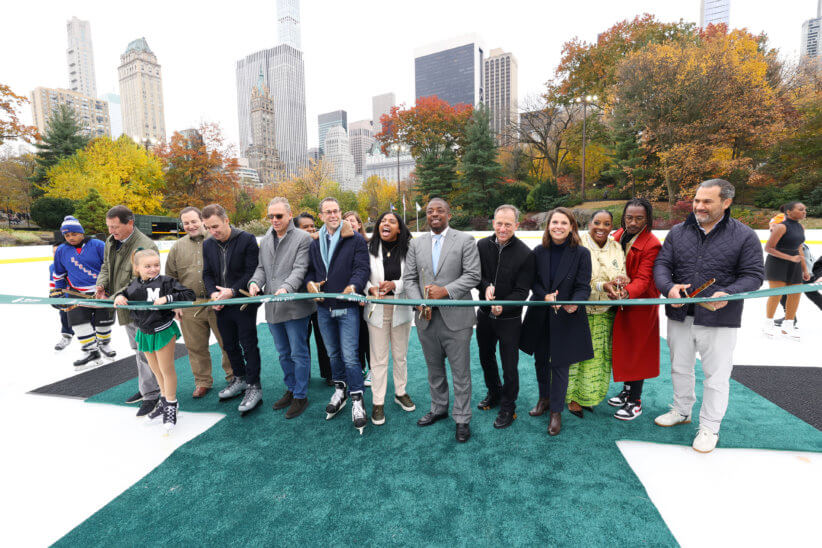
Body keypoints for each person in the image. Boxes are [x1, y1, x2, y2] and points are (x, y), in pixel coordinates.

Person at [653, 179, 765, 453]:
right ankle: (682, 410)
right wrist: (668, 288)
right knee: (679, 367)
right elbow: (662, 265)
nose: (699, 206)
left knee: (716, 376)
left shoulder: (744, 235)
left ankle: (709, 427)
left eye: (707, 201)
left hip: (719, 318)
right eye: (696, 200)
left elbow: (753, 275)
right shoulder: (678, 232)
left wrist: (728, 292)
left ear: (726, 202)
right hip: (680, 314)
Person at [403, 198, 480, 443]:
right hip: (426, 319)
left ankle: (462, 418)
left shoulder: (465, 240)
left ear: (449, 214)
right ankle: (439, 408)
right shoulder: (416, 244)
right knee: (434, 369)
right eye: (430, 211)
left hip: (457, 319)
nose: (434, 214)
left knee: (460, 372)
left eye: (440, 211)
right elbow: (409, 279)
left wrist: (445, 291)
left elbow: (473, 275)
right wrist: (419, 302)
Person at [519, 207, 593, 436]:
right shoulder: (538, 251)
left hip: (567, 316)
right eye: (554, 222)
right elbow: (533, 282)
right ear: (548, 226)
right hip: (541, 313)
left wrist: (574, 303)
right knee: (540, 360)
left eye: (563, 223)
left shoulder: (581, 253)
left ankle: (556, 412)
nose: (558, 227)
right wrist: (545, 296)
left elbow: (583, 286)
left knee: (560, 364)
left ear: (571, 227)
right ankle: (544, 399)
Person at [306, 198, 370, 433]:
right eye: (328, 212)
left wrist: (353, 286)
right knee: (333, 354)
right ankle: (340, 390)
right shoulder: (315, 242)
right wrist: (311, 285)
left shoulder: (355, 239)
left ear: (340, 213)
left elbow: (362, 268)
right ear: (321, 216)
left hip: (347, 307)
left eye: (336, 211)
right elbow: (310, 272)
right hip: (324, 308)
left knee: (350, 356)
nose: (333, 215)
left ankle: (357, 399)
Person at [114, 249, 195, 433]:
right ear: (137, 268)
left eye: (156, 265)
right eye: (148, 266)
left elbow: (189, 294)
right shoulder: (134, 285)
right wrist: (120, 296)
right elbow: (124, 293)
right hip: (144, 332)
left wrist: (168, 298)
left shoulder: (166, 282)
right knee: (156, 370)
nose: (153, 269)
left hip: (162, 331)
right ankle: (164, 401)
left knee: (166, 370)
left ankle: (171, 405)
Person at [249, 197, 314, 419]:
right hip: (273, 307)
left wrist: (286, 288)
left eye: (279, 216)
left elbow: (300, 268)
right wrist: (254, 282)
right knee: (283, 353)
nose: (274, 220)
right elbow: (261, 268)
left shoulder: (303, 238)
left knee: (298, 352)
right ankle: (292, 388)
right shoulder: (266, 238)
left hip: (295, 306)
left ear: (289, 215)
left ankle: (301, 395)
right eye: (271, 216)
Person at [95, 205, 161, 417]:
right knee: (138, 349)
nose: (111, 231)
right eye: (109, 227)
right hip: (123, 306)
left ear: (130, 223)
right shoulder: (111, 241)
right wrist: (101, 285)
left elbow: (140, 281)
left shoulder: (145, 246)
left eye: (115, 227)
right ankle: (147, 387)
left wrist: (114, 298)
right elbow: (106, 266)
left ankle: (152, 394)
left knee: (146, 351)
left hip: (140, 308)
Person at [475, 205, 534, 429]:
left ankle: (509, 406)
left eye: (508, 224)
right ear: (493, 223)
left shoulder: (526, 253)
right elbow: (476, 276)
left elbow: (522, 291)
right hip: (484, 314)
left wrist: (504, 306)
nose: (502, 228)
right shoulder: (481, 245)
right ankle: (494, 392)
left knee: (509, 365)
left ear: (516, 225)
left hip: (509, 320)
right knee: (485, 357)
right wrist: (485, 287)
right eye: (499, 223)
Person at [165, 207, 234, 398]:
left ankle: (234, 376)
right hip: (191, 305)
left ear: (202, 221)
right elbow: (170, 279)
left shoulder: (217, 240)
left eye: (194, 221)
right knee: (195, 347)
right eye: (186, 223)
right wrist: (175, 304)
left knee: (228, 343)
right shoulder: (177, 247)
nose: (190, 226)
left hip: (219, 302)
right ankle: (202, 381)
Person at [201, 204, 262, 415]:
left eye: (215, 226)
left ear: (226, 220)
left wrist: (233, 291)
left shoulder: (247, 239)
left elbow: (252, 271)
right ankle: (240, 378)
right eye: (208, 227)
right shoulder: (208, 244)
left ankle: (254, 385)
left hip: (243, 302)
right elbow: (207, 274)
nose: (212, 231)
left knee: (248, 344)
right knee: (229, 344)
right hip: (222, 304)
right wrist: (213, 294)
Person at [566, 210, 626, 417]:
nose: (601, 227)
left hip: (605, 312)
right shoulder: (576, 244)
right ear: (589, 224)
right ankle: (570, 397)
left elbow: (622, 274)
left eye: (607, 224)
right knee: (575, 357)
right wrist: (602, 285)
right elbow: (575, 280)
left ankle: (587, 397)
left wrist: (621, 285)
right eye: (597, 222)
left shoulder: (616, 247)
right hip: (580, 311)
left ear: (612, 227)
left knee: (596, 359)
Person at [608, 198, 662, 421]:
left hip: (641, 303)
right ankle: (627, 390)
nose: (633, 222)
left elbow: (644, 278)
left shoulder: (652, 244)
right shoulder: (619, 234)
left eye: (639, 218)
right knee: (624, 347)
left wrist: (626, 293)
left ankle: (635, 400)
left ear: (647, 219)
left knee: (637, 350)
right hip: (622, 299)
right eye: (629, 217)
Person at [364, 211, 416, 425]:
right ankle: (378, 402)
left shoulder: (409, 249)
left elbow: (413, 277)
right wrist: (370, 288)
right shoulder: (368, 248)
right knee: (378, 358)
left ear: (399, 229)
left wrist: (395, 285)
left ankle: (400, 392)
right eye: (383, 221)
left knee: (400, 355)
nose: (386, 224)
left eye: (392, 221)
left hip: (401, 307)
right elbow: (361, 275)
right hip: (376, 308)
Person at [53, 216, 117, 369]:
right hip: (76, 293)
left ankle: (104, 344)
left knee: (103, 322)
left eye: (74, 234)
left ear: (81, 232)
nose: (70, 238)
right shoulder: (61, 250)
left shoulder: (98, 245)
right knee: (78, 322)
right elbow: (59, 273)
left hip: (102, 291)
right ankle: (91, 351)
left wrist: (111, 288)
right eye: (67, 235)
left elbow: (111, 266)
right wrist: (57, 291)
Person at [294, 212, 332, 385]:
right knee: (301, 340)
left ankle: (330, 373)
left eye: (312, 226)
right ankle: (304, 374)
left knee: (324, 337)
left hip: (320, 299)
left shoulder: (321, 244)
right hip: (300, 300)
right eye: (305, 227)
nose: (310, 229)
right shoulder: (293, 247)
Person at [763, 202, 809, 341]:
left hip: (794, 263)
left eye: (805, 209)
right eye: (800, 209)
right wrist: (790, 258)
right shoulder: (781, 227)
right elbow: (768, 248)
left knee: (795, 294)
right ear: (789, 212)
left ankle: (788, 326)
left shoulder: (800, 227)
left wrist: (804, 269)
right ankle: (768, 324)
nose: (804, 212)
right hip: (777, 263)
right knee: (776, 294)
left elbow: (799, 248)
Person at [343, 210, 371, 385]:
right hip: (347, 298)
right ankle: (359, 367)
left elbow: (368, 272)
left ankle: (373, 369)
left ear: (359, 224)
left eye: (352, 220)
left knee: (368, 336)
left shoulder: (369, 245)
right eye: (345, 220)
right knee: (354, 336)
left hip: (364, 297)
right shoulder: (341, 245)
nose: (349, 223)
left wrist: (363, 294)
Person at [50, 241, 74, 351]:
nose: (55, 255)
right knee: (64, 312)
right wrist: (55, 296)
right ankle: (66, 336)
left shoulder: (77, 264)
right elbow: (54, 285)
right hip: (67, 297)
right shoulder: (52, 267)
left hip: (83, 296)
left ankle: (97, 341)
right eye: (54, 252)